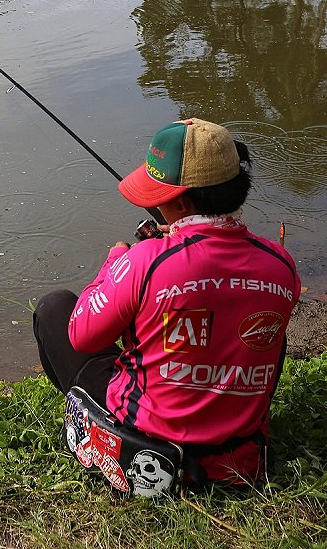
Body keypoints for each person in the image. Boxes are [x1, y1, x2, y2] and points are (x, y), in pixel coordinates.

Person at [33, 117, 301, 487]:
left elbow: (81, 336)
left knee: (54, 309)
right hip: (240, 460)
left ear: (177, 199)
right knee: (268, 328)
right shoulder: (281, 265)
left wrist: (116, 260)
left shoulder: (143, 261)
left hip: (147, 454)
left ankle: (92, 426)